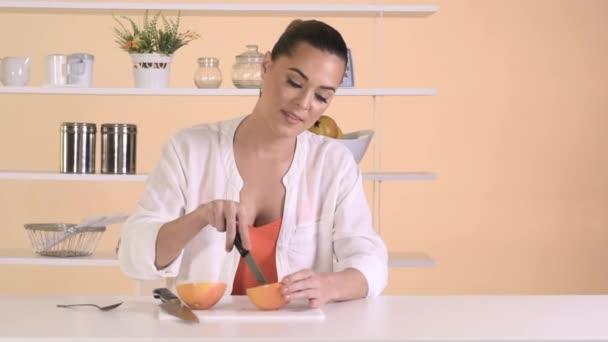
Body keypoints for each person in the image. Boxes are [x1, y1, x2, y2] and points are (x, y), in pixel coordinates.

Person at [118, 19, 388, 308]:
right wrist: (198, 217)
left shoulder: (333, 163)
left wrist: (330, 284)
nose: (304, 103)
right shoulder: (189, 149)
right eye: (294, 83)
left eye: (322, 97)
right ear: (266, 66)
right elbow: (134, 255)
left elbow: (371, 261)